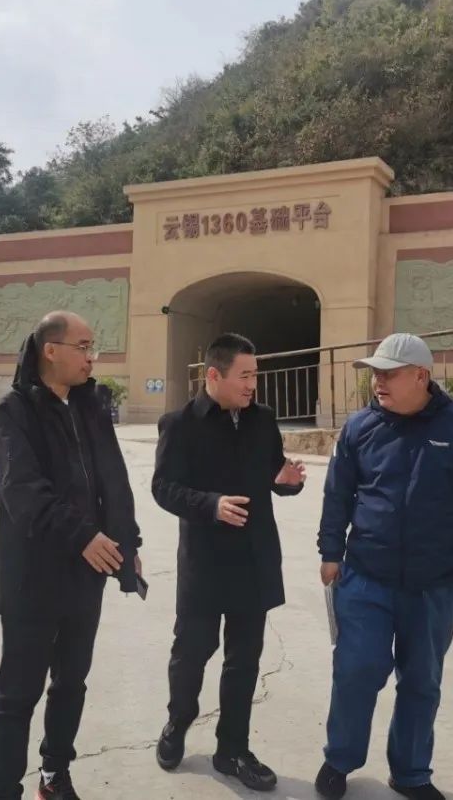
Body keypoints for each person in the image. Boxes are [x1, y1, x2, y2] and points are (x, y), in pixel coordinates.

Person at [314, 333, 453, 800]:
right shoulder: (359, 428)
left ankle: (411, 773)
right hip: (366, 576)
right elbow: (337, 494)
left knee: (421, 681)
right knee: (356, 670)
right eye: (374, 374)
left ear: (421, 375)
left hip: (434, 583)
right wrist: (331, 552)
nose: (378, 382)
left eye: (389, 373)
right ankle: (339, 760)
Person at [0, 311, 144, 800]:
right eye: (83, 346)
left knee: (71, 682)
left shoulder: (91, 407)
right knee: (17, 694)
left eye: (93, 346)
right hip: (33, 578)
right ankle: (4, 792)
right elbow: (21, 492)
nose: (91, 356)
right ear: (50, 350)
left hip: (84, 575)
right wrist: (82, 535)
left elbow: (114, 481)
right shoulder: (12, 412)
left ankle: (54, 776)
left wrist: (127, 543)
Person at [152, 333, 306, 792]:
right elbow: (164, 488)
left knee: (244, 660)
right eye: (244, 376)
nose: (252, 385)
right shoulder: (180, 424)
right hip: (205, 561)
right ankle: (178, 721)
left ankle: (232, 749)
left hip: (254, 558)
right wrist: (211, 504)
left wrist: (287, 481)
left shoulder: (263, 420)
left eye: (255, 375)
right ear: (214, 376)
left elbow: (273, 473)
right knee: (192, 652)